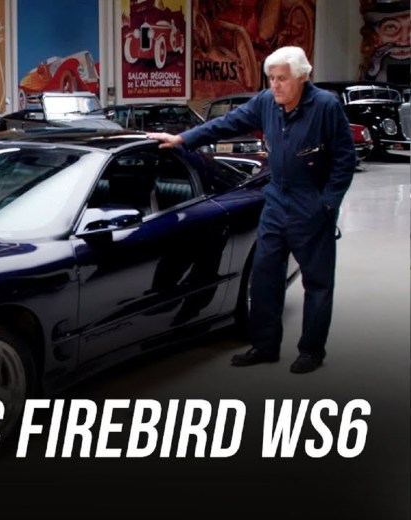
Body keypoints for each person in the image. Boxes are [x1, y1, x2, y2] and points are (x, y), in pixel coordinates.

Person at [147, 46, 355, 374]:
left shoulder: (325, 106)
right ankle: (264, 345)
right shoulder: (265, 102)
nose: (275, 85)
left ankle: (311, 351)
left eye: (282, 79)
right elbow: (227, 124)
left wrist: (327, 203)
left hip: (311, 205)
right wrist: (183, 139)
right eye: (271, 78)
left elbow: (345, 159)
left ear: (302, 76)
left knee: (317, 283)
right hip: (276, 202)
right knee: (264, 277)